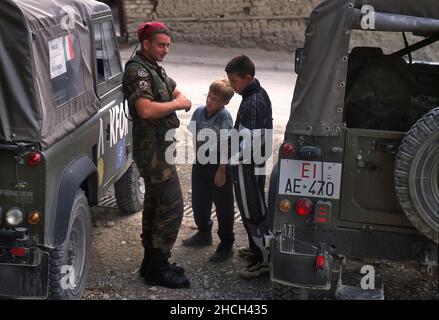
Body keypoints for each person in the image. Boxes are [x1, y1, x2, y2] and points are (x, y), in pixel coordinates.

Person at [122, 21, 192, 288]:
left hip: (162, 148)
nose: (165, 50)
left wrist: (177, 100)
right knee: (172, 206)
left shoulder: (154, 69)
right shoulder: (138, 71)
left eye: (168, 46)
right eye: (161, 45)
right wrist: (176, 104)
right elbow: (146, 110)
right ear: (146, 44)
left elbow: (176, 90)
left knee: (155, 204)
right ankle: (158, 264)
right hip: (152, 151)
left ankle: (151, 263)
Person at [225, 55, 273, 279]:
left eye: (234, 82)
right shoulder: (254, 93)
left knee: (252, 210)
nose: (232, 87)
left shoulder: (254, 102)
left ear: (248, 77)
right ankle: (257, 248)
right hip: (251, 164)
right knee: (253, 207)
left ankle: (265, 259)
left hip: (247, 166)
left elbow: (250, 142)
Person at [182, 79, 236, 262]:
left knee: (223, 206)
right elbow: (195, 137)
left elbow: (226, 144)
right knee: (199, 201)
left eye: (215, 99)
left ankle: (226, 245)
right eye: (209, 96)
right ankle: (204, 233)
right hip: (202, 163)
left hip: (219, 165)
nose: (210, 101)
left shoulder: (224, 117)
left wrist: (221, 170)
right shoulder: (199, 112)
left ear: (224, 103)